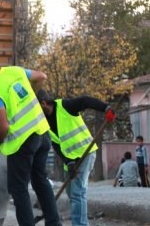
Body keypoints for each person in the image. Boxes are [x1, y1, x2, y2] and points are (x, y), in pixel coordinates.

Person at [0, 54, 61, 226]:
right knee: (40, 181)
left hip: (23, 141)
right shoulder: (14, 71)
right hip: (42, 133)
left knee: (18, 189)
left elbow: (3, 126)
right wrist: (31, 93)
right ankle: (54, 223)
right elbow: (41, 76)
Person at [36, 89, 115, 226]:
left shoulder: (65, 106)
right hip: (71, 160)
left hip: (85, 152)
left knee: (78, 192)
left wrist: (105, 108)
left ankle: (80, 224)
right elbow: (57, 145)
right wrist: (69, 162)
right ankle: (81, 221)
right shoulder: (45, 121)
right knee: (71, 192)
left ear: (43, 103)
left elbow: (85, 100)